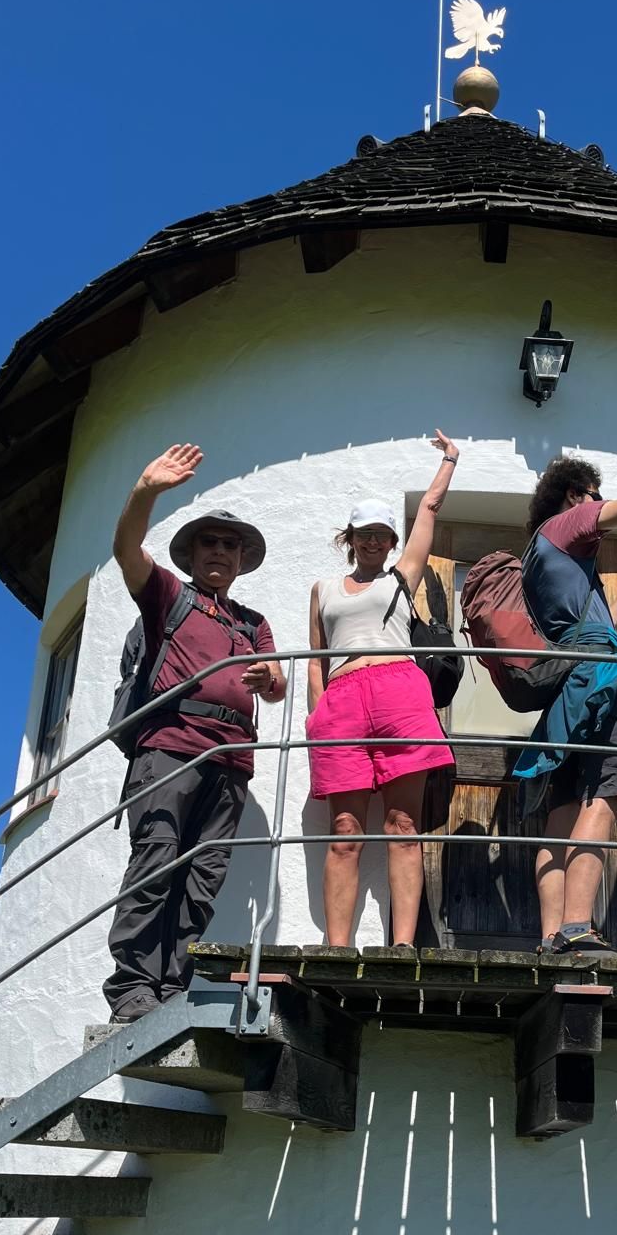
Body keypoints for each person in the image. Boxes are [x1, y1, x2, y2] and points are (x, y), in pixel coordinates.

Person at [104, 443, 286, 1021]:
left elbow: (277, 685)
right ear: (192, 553)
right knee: (156, 862)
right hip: (171, 749)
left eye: (230, 546)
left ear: (241, 559)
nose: (221, 552)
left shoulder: (253, 623)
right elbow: (126, 550)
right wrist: (146, 490)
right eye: (211, 542)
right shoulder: (169, 596)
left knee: (203, 877)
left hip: (233, 760)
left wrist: (272, 677)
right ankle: (133, 987)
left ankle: (174, 986)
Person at [516, 455, 617, 954]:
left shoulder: (540, 555)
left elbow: (603, 625)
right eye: (593, 495)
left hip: (574, 681)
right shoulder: (570, 523)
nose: (596, 505)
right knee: (608, 792)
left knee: (565, 808)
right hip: (603, 680)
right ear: (575, 494)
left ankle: (551, 935)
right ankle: (576, 926)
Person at [307, 431, 460, 948]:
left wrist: (450, 461)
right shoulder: (323, 589)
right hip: (341, 699)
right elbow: (315, 658)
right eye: (363, 533)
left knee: (402, 825)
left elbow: (430, 512)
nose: (373, 541)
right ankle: (335, 946)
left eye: (382, 533)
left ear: (393, 541)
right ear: (349, 537)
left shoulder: (402, 577)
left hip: (399, 691)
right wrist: (315, 717)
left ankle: (401, 945)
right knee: (345, 830)